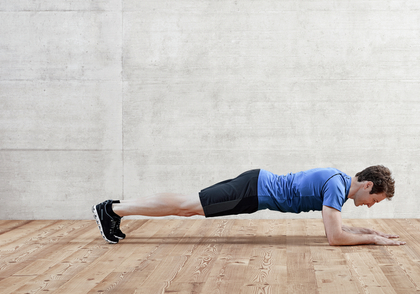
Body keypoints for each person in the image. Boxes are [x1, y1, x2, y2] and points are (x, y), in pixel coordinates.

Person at [92, 165, 406, 246]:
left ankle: (115, 209)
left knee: (188, 205)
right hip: (252, 191)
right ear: (366, 185)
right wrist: (373, 238)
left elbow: (336, 227)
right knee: (187, 206)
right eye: (373, 200)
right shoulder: (337, 186)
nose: (369, 206)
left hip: (253, 188)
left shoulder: (337, 182)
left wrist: (364, 231)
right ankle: (113, 209)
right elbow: (335, 237)